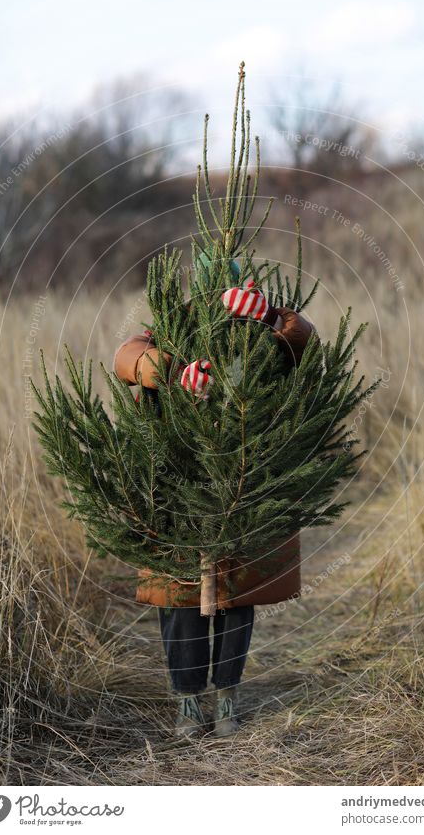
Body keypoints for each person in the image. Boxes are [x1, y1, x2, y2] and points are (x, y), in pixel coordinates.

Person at [113, 279, 316, 738]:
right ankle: (188, 699)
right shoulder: (174, 324)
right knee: (179, 598)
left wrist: (267, 318)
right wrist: (173, 371)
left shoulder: (268, 324)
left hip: (242, 487)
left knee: (236, 598)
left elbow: (309, 349)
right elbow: (126, 358)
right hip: (176, 487)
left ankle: (227, 696)